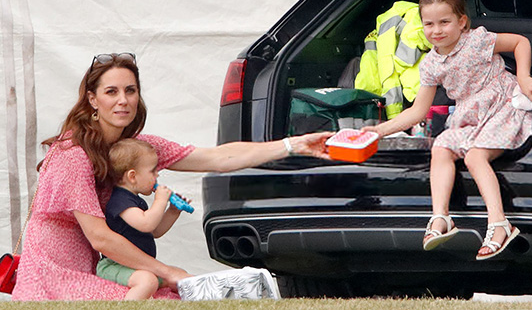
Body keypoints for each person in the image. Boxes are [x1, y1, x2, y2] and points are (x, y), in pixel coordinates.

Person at [12, 52, 333, 301]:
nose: (123, 100)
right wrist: (166, 272)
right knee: (163, 291)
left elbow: (216, 158)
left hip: (93, 268)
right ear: (93, 99)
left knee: (169, 294)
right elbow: (101, 238)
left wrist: (293, 144)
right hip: (51, 273)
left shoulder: (136, 149)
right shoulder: (74, 153)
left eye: (130, 90)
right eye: (111, 91)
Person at [363, 0, 532, 260]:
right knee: (442, 147)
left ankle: (499, 224)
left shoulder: (477, 41)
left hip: (502, 105)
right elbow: (418, 111)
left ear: (461, 21)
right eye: (429, 24)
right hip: (470, 115)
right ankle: (440, 218)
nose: (436, 30)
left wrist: (523, 77)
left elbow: (520, 42)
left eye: (444, 22)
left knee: (474, 157)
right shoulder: (430, 64)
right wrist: (379, 130)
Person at [96, 139, 192, 299]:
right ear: (132, 176)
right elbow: (146, 224)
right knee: (148, 281)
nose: (157, 175)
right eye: (153, 171)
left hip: (138, 266)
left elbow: (155, 231)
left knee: (179, 276)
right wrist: (160, 200)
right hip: (114, 265)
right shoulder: (120, 201)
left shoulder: (135, 200)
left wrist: (173, 211)